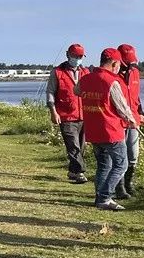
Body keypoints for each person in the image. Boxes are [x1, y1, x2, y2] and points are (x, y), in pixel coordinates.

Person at [76, 48, 136, 211]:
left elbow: (77, 91)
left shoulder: (86, 78)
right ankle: (105, 197)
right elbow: (122, 107)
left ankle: (99, 197)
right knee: (121, 165)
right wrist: (132, 121)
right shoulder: (111, 81)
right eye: (118, 65)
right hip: (111, 130)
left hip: (94, 130)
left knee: (104, 165)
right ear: (115, 63)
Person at [46, 43, 90, 183]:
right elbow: (50, 92)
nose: (77, 58)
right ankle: (80, 172)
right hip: (66, 116)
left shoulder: (86, 72)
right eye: (75, 56)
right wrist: (53, 111)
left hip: (84, 115)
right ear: (67, 55)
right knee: (73, 145)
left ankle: (72, 171)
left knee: (81, 146)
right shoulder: (57, 72)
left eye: (80, 56)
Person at [114, 43, 144, 199]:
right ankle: (119, 188)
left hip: (134, 120)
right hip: (118, 122)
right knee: (121, 156)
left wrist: (141, 113)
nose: (132, 65)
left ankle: (129, 183)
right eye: (129, 62)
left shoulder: (135, 73)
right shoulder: (112, 76)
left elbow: (136, 97)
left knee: (133, 154)